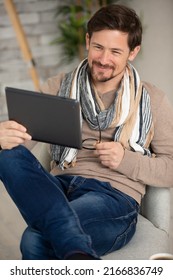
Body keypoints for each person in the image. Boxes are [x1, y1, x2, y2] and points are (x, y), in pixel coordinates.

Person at [0, 4, 173, 260]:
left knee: (35, 239)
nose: (104, 59)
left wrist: (125, 160)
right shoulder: (58, 86)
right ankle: (78, 253)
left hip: (113, 197)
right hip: (59, 186)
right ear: (87, 40)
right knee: (7, 156)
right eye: (98, 47)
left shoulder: (152, 99)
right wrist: (5, 136)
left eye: (115, 51)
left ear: (133, 52)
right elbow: (21, 149)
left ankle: (71, 246)